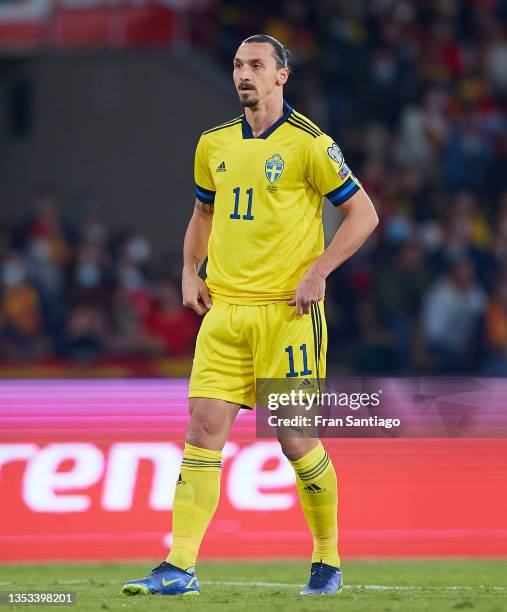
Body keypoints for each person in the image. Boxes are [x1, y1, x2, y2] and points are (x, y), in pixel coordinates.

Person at [122, 34, 378, 598]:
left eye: (257, 65)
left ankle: (327, 559)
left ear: (282, 75)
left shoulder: (311, 143)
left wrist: (319, 272)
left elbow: (363, 214)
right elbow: (201, 212)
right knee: (202, 430)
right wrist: (190, 271)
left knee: (294, 439)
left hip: (286, 315)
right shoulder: (212, 143)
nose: (245, 74)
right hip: (225, 313)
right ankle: (179, 566)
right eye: (238, 64)